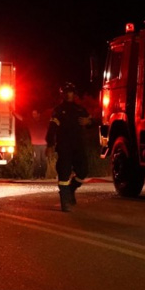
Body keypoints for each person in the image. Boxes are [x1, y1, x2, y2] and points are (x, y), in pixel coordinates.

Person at [46, 82, 93, 211]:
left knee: (83, 171)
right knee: (64, 173)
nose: (68, 94)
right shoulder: (59, 110)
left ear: (74, 93)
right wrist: (50, 144)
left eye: (70, 91)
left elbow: (92, 123)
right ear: (62, 94)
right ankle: (65, 200)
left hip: (79, 146)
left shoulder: (80, 109)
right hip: (64, 146)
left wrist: (88, 121)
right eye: (66, 92)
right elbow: (52, 128)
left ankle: (71, 189)